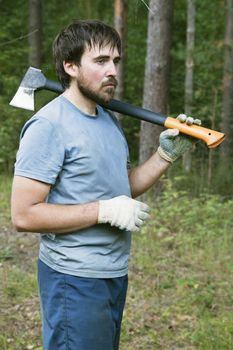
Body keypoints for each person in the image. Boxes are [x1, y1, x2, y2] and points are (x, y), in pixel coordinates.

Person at [11, 20, 200, 350]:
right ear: (70, 66)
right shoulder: (48, 125)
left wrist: (165, 155)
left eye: (116, 61)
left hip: (112, 273)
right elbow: (24, 216)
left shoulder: (107, 120)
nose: (112, 70)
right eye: (100, 61)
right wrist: (103, 211)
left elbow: (122, 187)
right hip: (74, 280)